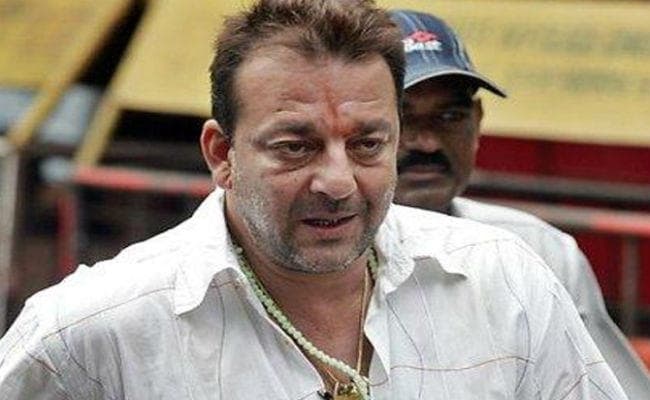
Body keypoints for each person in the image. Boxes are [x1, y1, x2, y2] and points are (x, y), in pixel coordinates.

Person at [0, 1, 627, 399]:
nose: (337, 181)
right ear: (222, 154)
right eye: (296, 147)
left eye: (367, 144)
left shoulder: (503, 280)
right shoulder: (91, 332)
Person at [390, 8, 650, 399]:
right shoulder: (318, 261)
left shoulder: (541, 251)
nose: (427, 143)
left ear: (478, 121)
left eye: (450, 116)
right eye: (403, 116)